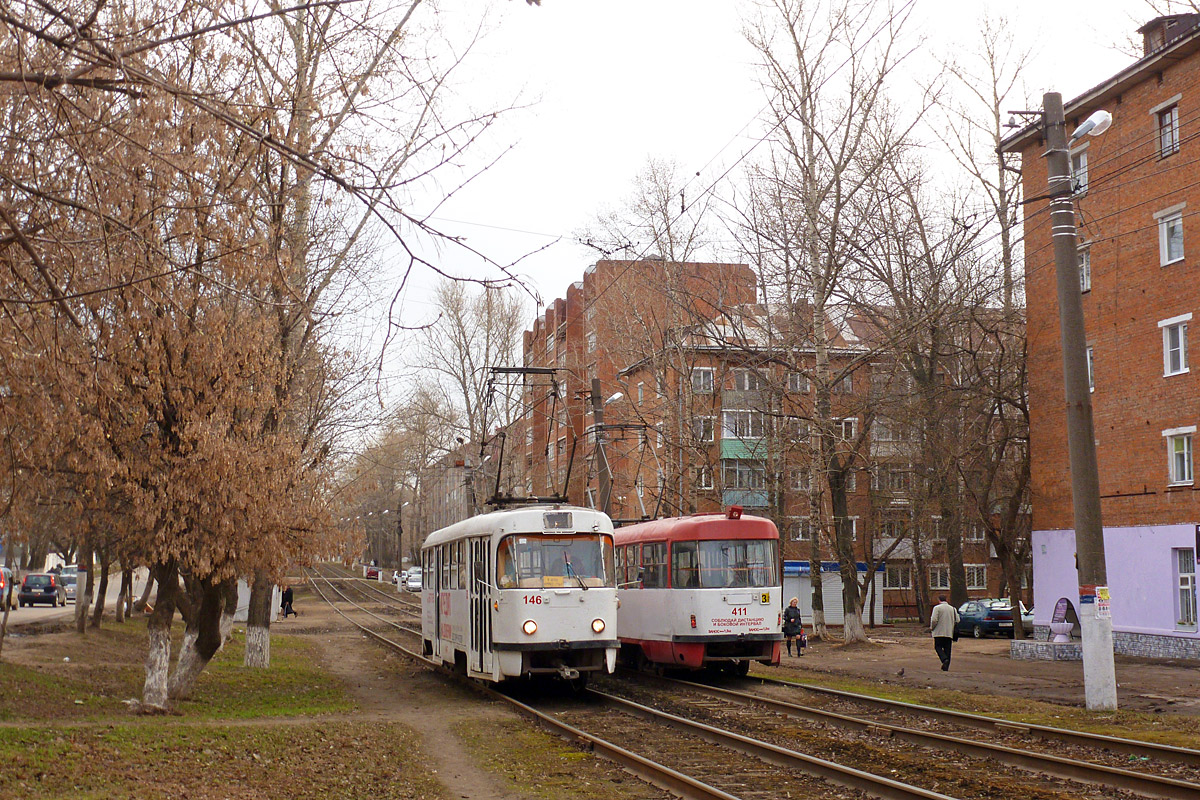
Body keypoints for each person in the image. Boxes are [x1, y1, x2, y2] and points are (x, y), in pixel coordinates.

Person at [929, 594, 960, 671]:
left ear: (939, 600)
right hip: (949, 632)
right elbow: (958, 620)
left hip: (939, 632)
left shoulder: (937, 608)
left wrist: (932, 628)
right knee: (948, 649)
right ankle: (946, 666)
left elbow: (934, 620)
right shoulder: (952, 609)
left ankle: (944, 659)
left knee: (938, 647)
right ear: (946, 599)